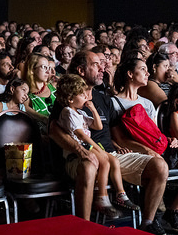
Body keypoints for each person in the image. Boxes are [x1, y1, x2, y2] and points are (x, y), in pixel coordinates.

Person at [48, 51, 169, 235]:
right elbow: (54, 131)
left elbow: (117, 135)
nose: (102, 68)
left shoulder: (103, 98)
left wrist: (145, 149)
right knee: (89, 165)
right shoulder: (67, 99)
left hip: (112, 155)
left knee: (159, 165)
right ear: (81, 70)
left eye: (102, 64)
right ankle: (84, 230)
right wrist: (80, 150)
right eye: (96, 64)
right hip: (80, 156)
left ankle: (147, 223)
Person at [112, 58, 178, 235]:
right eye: (142, 69)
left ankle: (174, 210)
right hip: (136, 152)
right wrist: (146, 150)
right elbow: (119, 139)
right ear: (130, 74)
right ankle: (153, 219)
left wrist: (169, 138)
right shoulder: (114, 103)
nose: (147, 73)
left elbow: (153, 133)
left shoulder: (147, 103)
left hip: (159, 147)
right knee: (158, 166)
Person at [55, 74, 139, 218]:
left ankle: (120, 194)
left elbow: (98, 126)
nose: (86, 97)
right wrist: (98, 149)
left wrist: (93, 110)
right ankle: (102, 197)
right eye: (82, 95)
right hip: (80, 149)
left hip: (89, 145)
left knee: (114, 161)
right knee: (106, 161)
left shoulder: (79, 112)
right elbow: (81, 136)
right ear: (70, 99)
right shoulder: (68, 112)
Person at [22, 53, 57, 120]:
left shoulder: (54, 86)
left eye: (48, 68)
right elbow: (25, 109)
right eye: (44, 67)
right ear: (32, 70)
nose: (48, 72)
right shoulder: (26, 95)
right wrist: (44, 119)